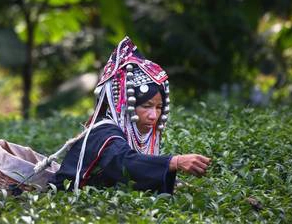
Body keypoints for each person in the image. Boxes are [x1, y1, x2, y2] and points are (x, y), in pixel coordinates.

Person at [49, 36, 211, 194]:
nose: (154, 115)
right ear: (126, 106)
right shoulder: (104, 132)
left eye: (159, 107)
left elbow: (134, 173)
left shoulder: (127, 133)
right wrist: (175, 161)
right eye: (146, 106)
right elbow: (124, 162)